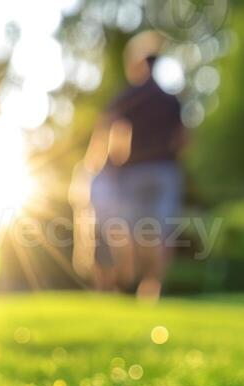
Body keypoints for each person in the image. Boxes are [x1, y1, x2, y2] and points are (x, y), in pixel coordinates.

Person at [81, 32, 187, 301]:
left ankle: (132, 279)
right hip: (165, 171)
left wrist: (104, 161)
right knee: (161, 229)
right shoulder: (170, 99)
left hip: (134, 171)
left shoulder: (130, 96)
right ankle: (151, 288)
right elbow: (183, 138)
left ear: (138, 65)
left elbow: (108, 125)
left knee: (136, 230)